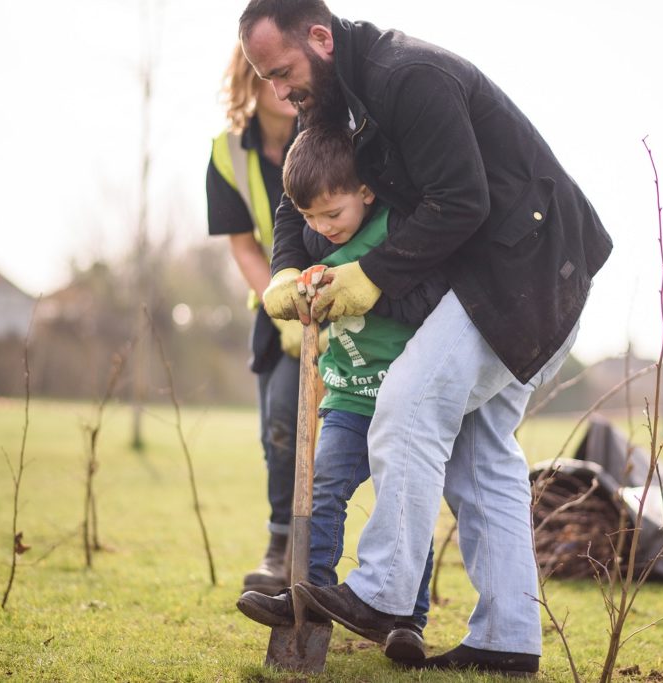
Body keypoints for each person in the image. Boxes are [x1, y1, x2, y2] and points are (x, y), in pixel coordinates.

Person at [241, 1, 613, 675]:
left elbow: (461, 199)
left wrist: (368, 277)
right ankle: (508, 638)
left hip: (530, 272)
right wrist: (287, 271)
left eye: (282, 71)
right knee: (479, 455)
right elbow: (297, 195)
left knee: (407, 403)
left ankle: (383, 594)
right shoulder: (329, 96)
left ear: (320, 38)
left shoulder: (407, 77)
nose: (278, 91)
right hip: (503, 275)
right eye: (267, 78)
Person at [235, 125, 447, 663]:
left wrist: (364, 295)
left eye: (333, 215)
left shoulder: (396, 232)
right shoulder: (312, 240)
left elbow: (425, 302)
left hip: (403, 401)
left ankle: (408, 620)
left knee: (404, 509)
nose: (323, 228)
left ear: (366, 192)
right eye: (310, 217)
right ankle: (309, 597)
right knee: (322, 490)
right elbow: (289, 247)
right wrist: (292, 286)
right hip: (348, 399)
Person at [205, 44, 299, 596]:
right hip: (274, 309)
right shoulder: (226, 154)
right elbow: (243, 247)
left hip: (341, 298)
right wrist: (279, 304)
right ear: (252, 77)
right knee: (277, 433)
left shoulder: (326, 128)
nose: (286, 86)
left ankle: (310, 556)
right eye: (274, 73)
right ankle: (279, 548)